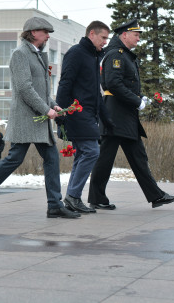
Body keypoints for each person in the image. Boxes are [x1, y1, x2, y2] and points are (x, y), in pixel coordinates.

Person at [0, 17, 80, 219]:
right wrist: (46, 110)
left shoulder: (37, 55)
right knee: (14, 158)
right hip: (26, 118)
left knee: (51, 158)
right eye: (45, 32)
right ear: (33, 32)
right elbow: (24, 88)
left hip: (37, 119)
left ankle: (54, 205)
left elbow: (41, 87)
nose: (48, 36)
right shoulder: (20, 54)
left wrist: (53, 103)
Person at [88, 19, 174, 209]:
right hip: (115, 115)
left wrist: (141, 97)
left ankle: (156, 196)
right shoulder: (116, 55)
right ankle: (97, 198)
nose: (138, 39)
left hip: (123, 115)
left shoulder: (124, 55)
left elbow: (125, 85)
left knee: (138, 157)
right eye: (136, 35)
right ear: (124, 35)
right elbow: (113, 84)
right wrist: (137, 101)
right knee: (105, 159)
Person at [56, 20, 113, 214]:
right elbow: (65, 84)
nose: (105, 42)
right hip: (76, 112)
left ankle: (73, 197)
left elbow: (96, 92)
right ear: (92, 34)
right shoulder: (76, 53)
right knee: (91, 151)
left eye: (107, 38)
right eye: (103, 37)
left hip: (89, 113)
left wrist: (106, 118)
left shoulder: (94, 56)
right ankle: (72, 196)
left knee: (83, 154)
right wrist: (61, 113)